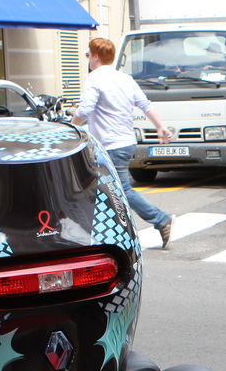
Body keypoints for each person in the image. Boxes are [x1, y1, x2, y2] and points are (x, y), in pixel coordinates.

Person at [72, 38, 175, 248]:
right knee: (100, 189)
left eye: (89, 55)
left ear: (95, 56)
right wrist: (160, 126)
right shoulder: (125, 78)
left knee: (120, 190)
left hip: (110, 145)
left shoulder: (94, 78)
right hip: (126, 142)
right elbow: (145, 104)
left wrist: (71, 126)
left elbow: (85, 109)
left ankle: (161, 219)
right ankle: (105, 233)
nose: (88, 59)